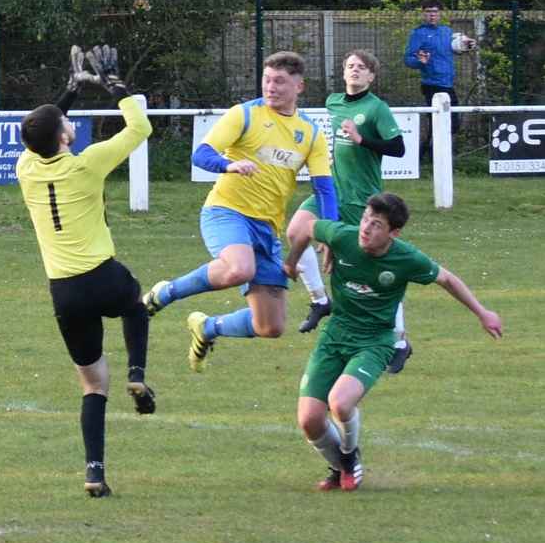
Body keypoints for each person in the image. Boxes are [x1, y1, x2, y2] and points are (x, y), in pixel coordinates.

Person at [285, 192, 503, 492]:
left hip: (375, 341)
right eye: (364, 220)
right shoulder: (343, 236)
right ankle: (338, 468)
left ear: (393, 232)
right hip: (335, 335)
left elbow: (447, 279)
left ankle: (349, 457)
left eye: (376, 224)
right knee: (309, 419)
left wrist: (482, 312)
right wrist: (292, 261)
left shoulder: (406, 258)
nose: (365, 229)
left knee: (339, 402)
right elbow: (305, 227)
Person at [142, 50, 338, 372]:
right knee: (239, 269)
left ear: (299, 87)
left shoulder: (312, 133)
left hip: (267, 228)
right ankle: (166, 292)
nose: (271, 87)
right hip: (226, 211)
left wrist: (329, 233)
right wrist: (228, 165)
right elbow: (201, 155)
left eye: (280, 82)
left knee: (270, 327)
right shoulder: (243, 115)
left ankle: (207, 328)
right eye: (267, 79)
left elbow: (325, 189)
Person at [16, 44, 155, 498]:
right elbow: (140, 127)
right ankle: (137, 371)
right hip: (102, 276)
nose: (70, 124)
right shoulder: (87, 165)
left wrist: (70, 90)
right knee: (135, 304)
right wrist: (117, 86)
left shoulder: (25, 168)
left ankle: (94, 471)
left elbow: (44, 126)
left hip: (65, 294)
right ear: (63, 138)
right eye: (67, 124)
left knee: (93, 383)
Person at [286, 49, 411, 374]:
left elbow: (398, 148)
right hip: (331, 191)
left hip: (362, 198)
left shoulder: (376, 108)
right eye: (350, 66)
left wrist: (362, 140)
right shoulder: (333, 102)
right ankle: (319, 299)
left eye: (361, 68)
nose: (355, 71)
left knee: (370, 269)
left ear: (371, 76)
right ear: (343, 74)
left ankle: (399, 341)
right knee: (295, 231)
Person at [404, 0, 476, 159]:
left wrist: (468, 45)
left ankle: (426, 154)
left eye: (435, 12)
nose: (432, 15)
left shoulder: (446, 32)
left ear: (440, 14)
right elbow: (408, 59)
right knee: (441, 123)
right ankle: (433, 156)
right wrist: (420, 62)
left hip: (448, 84)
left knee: (448, 124)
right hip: (431, 85)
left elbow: (459, 47)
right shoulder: (418, 33)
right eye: (428, 12)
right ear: (423, 14)